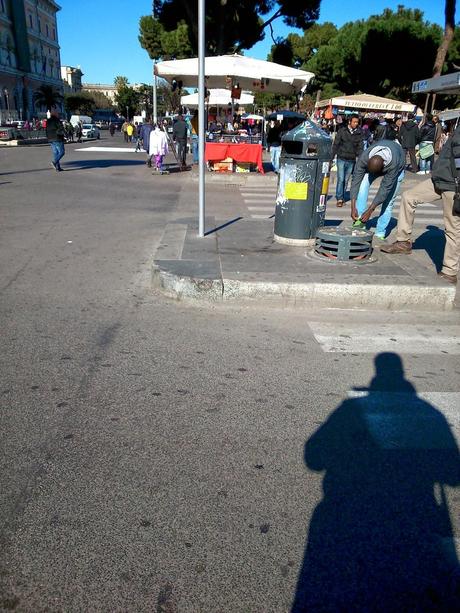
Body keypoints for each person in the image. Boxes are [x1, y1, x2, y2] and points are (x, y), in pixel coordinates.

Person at [381, 123, 460, 285]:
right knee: (409, 197)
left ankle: (449, 272)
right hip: (440, 179)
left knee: (453, 228)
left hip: (454, 185)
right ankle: (403, 242)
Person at [350, 139, 405, 240]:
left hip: (397, 169)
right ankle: (359, 221)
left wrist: (370, 210)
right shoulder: (364, 157)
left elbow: (384, 189)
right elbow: (355, 180)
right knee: (362, 186)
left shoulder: (394, 163)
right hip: (376, 164)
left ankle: (380, 233)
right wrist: (353, 206)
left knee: (389, 200)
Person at [331, 114, 364, 207]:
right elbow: (336, 144)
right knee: (341, 179)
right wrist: (331, 157)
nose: (356, 124)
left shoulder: (359, 132)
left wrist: (361, 158)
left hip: (351, 159)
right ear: (349, 122)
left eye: (357, 122)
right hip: (341, 158)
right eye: (354, 122)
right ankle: (339, 198)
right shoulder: (342, 131)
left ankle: (342, 196)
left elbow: (360, 147)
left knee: (346, 180)